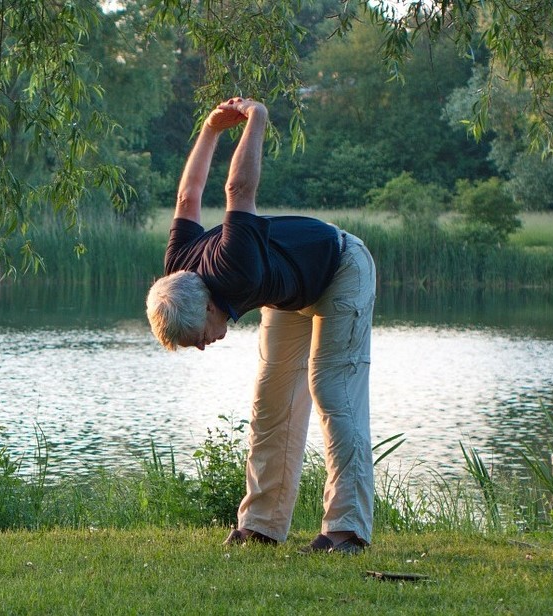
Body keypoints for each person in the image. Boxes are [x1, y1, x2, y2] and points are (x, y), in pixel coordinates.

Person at [145, 97, 376, 554]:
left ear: (208, 308)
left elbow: (238, 191)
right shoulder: (178, 268)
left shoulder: (235, 268)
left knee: (331, 390)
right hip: (290, 290)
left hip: (341, 268)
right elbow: (187, 197)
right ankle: (261, 525)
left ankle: (347, 530)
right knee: (271, 402)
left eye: (198, 340)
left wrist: (257, 120)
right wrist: (209, 130)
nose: (205, 347)